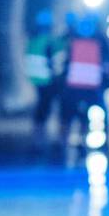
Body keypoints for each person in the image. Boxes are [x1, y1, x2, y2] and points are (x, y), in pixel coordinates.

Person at [57, 13, 109, 155]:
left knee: (68, 115)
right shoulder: (101, 39)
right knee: (96, 113)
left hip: (73, 84)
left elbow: (63, 60)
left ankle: (62, 143)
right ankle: (93, 142)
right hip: (93, 85)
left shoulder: (71, 39)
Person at [24, 9, 67, 149]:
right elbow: (56, 61)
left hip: (37, 80)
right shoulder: (51, 41)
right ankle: (59, 137)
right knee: (55, 106)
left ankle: (38, 135)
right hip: (50, 79)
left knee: (42, 106)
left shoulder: (32, 41)